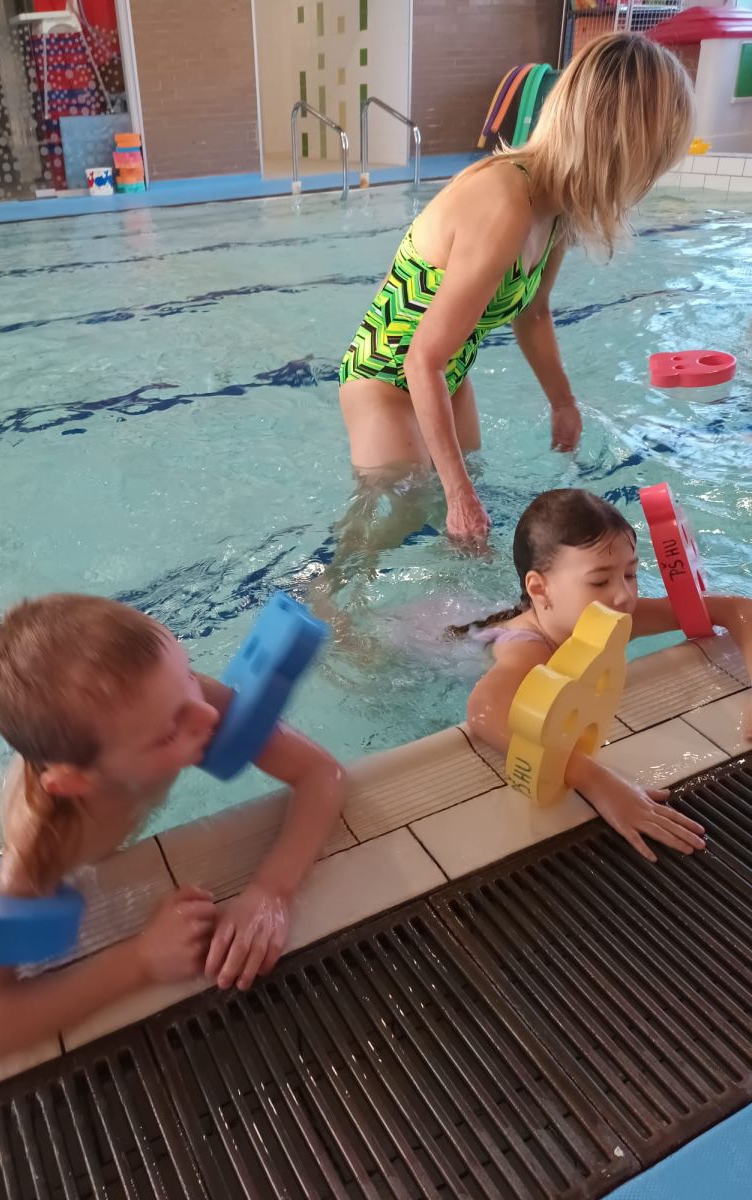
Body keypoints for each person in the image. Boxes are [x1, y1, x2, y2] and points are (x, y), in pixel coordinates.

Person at [0, 593, 346, 1067]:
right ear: (78, 781)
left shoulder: (172, 702)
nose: (210, 716)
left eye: (188, 673)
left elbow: (323, 774)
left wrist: (271, 891)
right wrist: (141, 962)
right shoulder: (46, 843)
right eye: (169, 733)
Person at [336, 33, 694, 550]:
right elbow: (420, 359)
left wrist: (563, 402)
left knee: (463, 523)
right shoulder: (504, 199)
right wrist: (457, 493)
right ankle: (329, 593)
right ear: (620, 146)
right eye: (653, 161)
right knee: (393, 525)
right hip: (385, 377)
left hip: (446, 377)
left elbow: (534, 314)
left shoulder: (558, 207)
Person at [462, 489, 752, 860]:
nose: (623, 595)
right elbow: (485, 713)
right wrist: (595, 779)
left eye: (630, 573)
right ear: (539, 588)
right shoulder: (529, 650)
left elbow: (736, 608)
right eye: (600, 581)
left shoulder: (613, 617)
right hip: (438, 642)